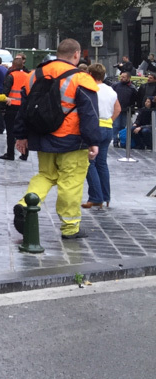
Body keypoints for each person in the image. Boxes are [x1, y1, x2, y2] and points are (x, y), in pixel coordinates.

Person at [12, 39, 101, 241]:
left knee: (45, 175)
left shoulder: (34, 75)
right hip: (72, 139)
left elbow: (24, 109)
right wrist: (93, 141)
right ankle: (70, 228)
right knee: (70, 183)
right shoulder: (81, 78)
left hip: (43, 136)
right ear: (77, 54)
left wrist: (21, 135)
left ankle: (25, 205)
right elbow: (89, 114)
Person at [81, 64, 119, 210]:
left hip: (94, 127)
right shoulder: (111, 90)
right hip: (107, 127)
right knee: (102, 163)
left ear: (90, 73)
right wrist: (109, 121)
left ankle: (96, 197)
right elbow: (118, 109)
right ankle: (106, 196)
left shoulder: (91, 89)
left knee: (89, 163)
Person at [0, 54, 31, 161]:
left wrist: (2, 107)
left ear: (13, 65)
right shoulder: (28, 76)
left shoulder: (11, 76)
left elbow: (5, 92)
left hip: (11, 106)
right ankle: (24, 154)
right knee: (24, 131)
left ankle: (10, 153)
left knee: (10, 132)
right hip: (24, 107)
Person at [112, 71, 137, 146]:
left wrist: (131, 108)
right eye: (121, 77)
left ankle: (121, 140)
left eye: (124, 77)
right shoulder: (115, 86)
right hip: (116, 109)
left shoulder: (132, 88)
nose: (121, 78)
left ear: (128, 78)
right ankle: (115, 141)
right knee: (116, 125)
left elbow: (134, 99)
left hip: (126, 110)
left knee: (123, 126)